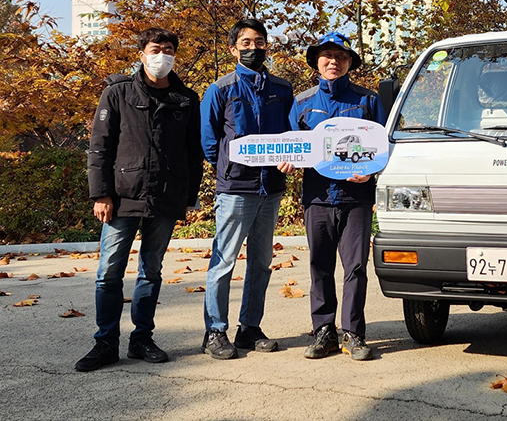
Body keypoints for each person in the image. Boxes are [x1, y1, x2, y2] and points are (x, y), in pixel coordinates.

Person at [77, 28, 204, 372]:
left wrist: (188, 198)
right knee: (108, 273)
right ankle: (105, 342)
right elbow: (99, 146)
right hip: (121, 197)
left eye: (168, 49)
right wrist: (101, 193)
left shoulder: (186, 98)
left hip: (166, 197)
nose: (161, 55)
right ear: (141, 54)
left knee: (151, 271)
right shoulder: (117, 93)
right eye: (154, 49)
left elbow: (195, 153)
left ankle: (142, 338)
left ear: (175, 55)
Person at [288, 32, 387, 361]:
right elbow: (292, 146)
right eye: (327, 56)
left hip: (356, 198)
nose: (334, 62)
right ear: (316, 62)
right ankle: (323, 331)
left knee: (356, 267)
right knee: (319, 266)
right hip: (316, 198)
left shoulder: (367, 101)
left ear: (350, 63)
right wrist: (287, 161)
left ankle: (354, 334)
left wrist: (372, 171)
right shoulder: (302, 103)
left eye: (341, 57)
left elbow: (384, 148)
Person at [200, 19, 294, 360]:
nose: (253, 48)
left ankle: (249, 328)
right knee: (224, 261)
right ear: (233, 48)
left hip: (271, 187)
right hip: (235, 189)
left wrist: (289, 159)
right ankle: (214, 331)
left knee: (261, 262)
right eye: (246, 42)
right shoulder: (220, 89)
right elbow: (210, 143)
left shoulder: (282, 90)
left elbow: (290, 135)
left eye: (259, 42)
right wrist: (230, 167)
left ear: (267, 46)